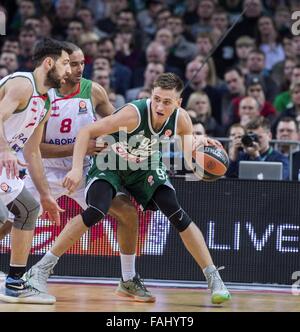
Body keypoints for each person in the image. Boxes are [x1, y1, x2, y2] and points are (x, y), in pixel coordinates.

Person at [26, 73, 231, 305]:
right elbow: (86, 132)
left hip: (144, 166)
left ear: (178, 103)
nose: (160, 106)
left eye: (167, 101)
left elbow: (189, 156)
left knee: (176, 212)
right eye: (156, 99)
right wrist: (75, 169)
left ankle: (213, 277)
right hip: (110, 162)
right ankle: (41, 269)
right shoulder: (132, 115)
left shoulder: (182, 120)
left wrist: (200, 151)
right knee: (96, 210)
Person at [2, 43, 153, 303]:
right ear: (55, 63)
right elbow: (37, 150)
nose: (78, 68)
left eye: (82, 62)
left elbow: (122, 125)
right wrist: (79, 149)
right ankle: (19, 279)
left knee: (127, 211)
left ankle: (128, 279)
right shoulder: (37, 90)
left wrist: (146, 136)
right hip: (46, 168)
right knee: (10, 219)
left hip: (80, 170)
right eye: (71, 63)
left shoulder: (91, 91)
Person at [0, 38, 72, 304]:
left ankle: (14, 282)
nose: (69, 70)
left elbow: (32, 152)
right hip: (1, 155)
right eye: (65, 63)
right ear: (49, 62)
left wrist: (45, 195)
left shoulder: (45, 102)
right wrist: (6, 149)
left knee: (29, 209)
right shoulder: (22, 84)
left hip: (3, 161)